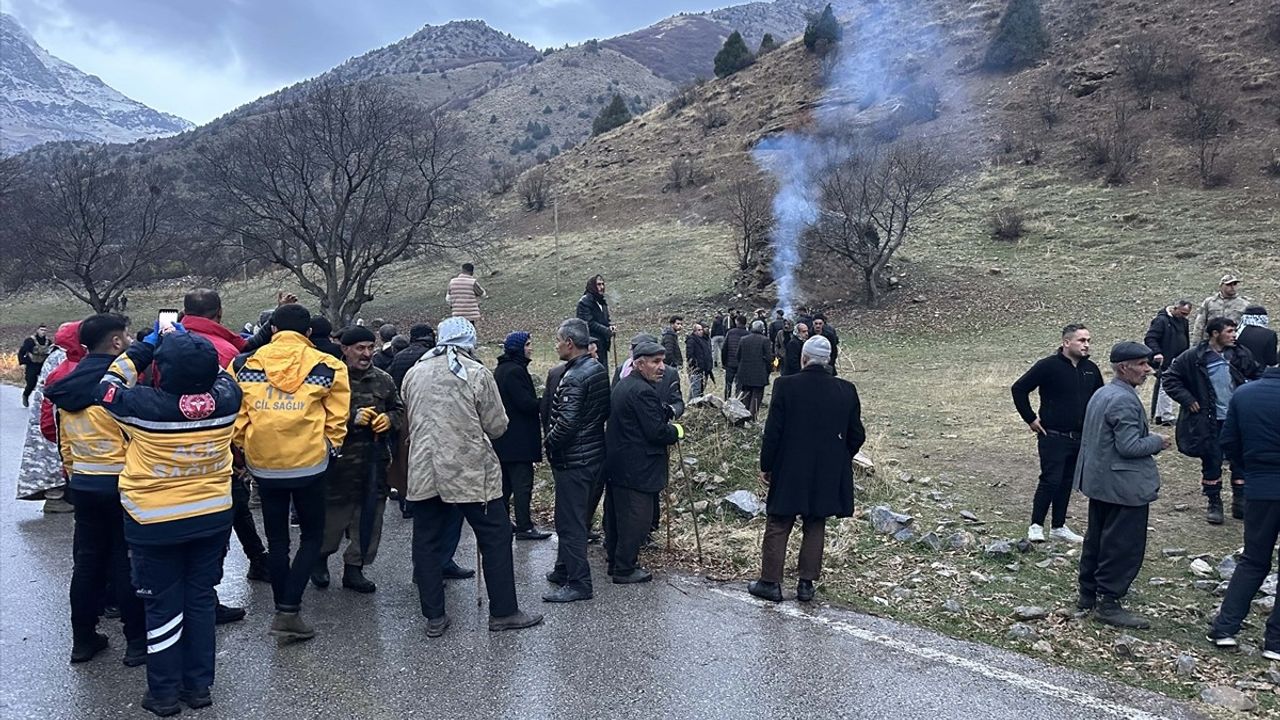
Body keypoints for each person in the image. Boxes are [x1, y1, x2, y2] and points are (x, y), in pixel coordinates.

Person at [95, 327, 243, 716]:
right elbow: (226, 370)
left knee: (162, 607)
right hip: (211, 516)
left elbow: (107, 385)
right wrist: (190, 345)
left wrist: (145, 347)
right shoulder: (229, 399)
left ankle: (163, 693)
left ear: (163, 369)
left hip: (154, 523)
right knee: (199, 602)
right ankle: (198, 688)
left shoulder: (142, 406)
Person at [401, 316, 543, 637]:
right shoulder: (475, 372)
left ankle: (434, 617)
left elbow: (410, 415)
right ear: (470, 340)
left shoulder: (415, 373)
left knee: (426, 541)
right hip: (470, 471)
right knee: (495, 536)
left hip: (425, 469)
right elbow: (497, 425)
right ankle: (504, 611)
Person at [230, 303, 351, 641]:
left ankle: (283, 609)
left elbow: (236, 413)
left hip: (264, 464)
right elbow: (338, 417)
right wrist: (330, 447)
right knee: (312, 536)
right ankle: (288, 610)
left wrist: (247, 445)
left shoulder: (243, 363)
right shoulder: (329, 365)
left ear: (271, 330)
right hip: (310, 463)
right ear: (309, 333)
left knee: (278, 540)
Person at [42, 314, 145, 667]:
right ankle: (136, 643)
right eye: (126, 335)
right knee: (124, 559)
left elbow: (63, 442)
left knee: (86, 563)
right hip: (120, 480)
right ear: (116, 342)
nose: (130, 340)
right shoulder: (120, 384)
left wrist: (74, 476)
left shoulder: (66, 385)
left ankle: (83, 640)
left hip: (84, 480)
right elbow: (136, 436)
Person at [749, 336, 865, 603]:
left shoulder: (786, 386)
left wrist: (767, 465)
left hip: (789, 467)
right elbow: (857, 434)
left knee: (779, 522)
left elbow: (773, 432)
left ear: (803, 358)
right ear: (829, 361)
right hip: (827, 470)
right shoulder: (846, 390)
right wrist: (840, 457)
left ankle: (770, 583)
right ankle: (805, 585)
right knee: (815, 522)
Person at [1074, 342, 1170, 629]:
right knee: (1122, 545)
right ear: (1123, 367)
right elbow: (1129, 446)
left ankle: (1087, 595)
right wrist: (1158, 441)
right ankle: (1109, 603)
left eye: (1148, 364)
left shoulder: (1103, 392)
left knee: (1098, 538)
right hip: (1124, 486)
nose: (1148, 370)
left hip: (1101, 482)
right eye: (1142, 364)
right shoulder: (1124, 399)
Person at [182, 289, 266, 615]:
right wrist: (241, 452)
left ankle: (257, 558)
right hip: (217, 446)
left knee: (225, 510)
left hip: (171, 446)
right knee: (221, 515)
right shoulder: (223, 351)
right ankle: (206, 598)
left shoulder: (170, 343)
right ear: (219, 312)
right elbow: (237, 404)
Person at [312, 326, 403, 594]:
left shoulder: (383, 379)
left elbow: (399, 409)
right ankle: (319, 560)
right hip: (337, 466)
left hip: (373, 464)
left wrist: (390, 420)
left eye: (370, 347)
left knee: (369, 522)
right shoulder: (329, 378)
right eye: (359, 348)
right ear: (345, 350)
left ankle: (355, 569)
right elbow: (314, 416)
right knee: (331, 523)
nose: (366, 354)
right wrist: (350, 418)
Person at [1206, 361, 1280, 654]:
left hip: (1259, 487)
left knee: (1253, 560)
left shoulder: (1245, 394)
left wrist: (1251, 469)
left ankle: (1225, 628)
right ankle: (1275, 642)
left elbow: (1229, 441)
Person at [1164, 317, 1263, 523]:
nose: (1234, 335)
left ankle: (1240, 501)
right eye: (1229, 331)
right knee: (1212, 460)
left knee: (1240, 459)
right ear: (1215, 334)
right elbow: (1170, 378)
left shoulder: (1240, 353)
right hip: (1209, 420)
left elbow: (1256, 374)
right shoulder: (1193, 357)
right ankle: (1214, 502)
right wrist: (1187, 399)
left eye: (1234, 331)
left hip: (1237, 419)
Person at [1010, 324, 1103, 544]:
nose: (1086, 344)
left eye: (1088, 340)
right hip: (1052, 435)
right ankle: (1036, 525)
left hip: (1080, 438)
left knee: (1067, 481)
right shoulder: (1048, 366)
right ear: (1066, 342)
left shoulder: (1091, 369)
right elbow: (1019, 388)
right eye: (1081, 340)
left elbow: (1101, 398)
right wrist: (1030, 418)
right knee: (1050, 479)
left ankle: (1059, 526)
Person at [543, 318, 611, 603]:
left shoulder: (572, 377)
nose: (556, 345)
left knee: (570, 523)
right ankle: (563, 568)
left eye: (558, 340)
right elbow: (602, 412)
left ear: (569, 343)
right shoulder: (597, 369)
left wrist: (548, 444)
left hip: (574, 460)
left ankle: (579, 583)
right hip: (595, 454)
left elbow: (566, 424)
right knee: (578, 517)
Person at [604, 341, 683, 584]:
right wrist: (676, 430)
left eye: (663, 361)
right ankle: (625, 568)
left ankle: (616, 562)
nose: (661, 367)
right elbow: (656, 432)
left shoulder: (625, 384)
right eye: (655, 362)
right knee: (636, 519)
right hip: (637, 468)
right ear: (639, 364)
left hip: (620, 464)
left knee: (618, 517)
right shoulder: (642, 391)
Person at [493, 331, 552, 541]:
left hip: (503, 440)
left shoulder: (501, 369)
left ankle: (501, 522)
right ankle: (525, 527)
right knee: (521, 485)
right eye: (527, 344)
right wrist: (546, 401)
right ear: (518, 349)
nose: (531, 348)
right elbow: (525, 404)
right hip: (518, 441)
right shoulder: (515, 372)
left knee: (505, 485)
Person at [20, 322, 79, 511]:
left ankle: (58, 495)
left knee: (51, 454)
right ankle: (55, 497)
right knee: (53, 455)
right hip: (51, 418)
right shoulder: (64, 358)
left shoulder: (57, 355)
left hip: (47, 415)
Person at [1143, 300, 1192, 425]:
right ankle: (1166, 416)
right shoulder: (1161, 321)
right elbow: (1150, 338)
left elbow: (1186, 339)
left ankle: (1161, 415)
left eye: (1187, 314)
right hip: (1166, 358)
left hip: (1179, 358)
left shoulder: (1184, 322)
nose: (1184, 316)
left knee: (1165, 385)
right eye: (1182, 313)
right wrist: (1157, 352)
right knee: (1166, 385)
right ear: (1175, 308)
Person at [1191, 274, 1251, 342]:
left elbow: (1247, 327)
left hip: (1233, 342)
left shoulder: (1244, 304)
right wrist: (1196, 344)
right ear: (1221, 286)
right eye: (1228, 284)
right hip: (1211, 342)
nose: (1232, 287)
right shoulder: (1209, 302)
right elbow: (1200, 324)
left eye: (1235, 284)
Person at [735, 320, 774, 421]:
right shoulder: (765, 340)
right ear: (762, 329)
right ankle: (752, 418)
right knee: (756, 396)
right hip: (759, 373)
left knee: (746, 394)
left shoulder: (743, 339)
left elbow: (738, 355)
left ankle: (743, 416)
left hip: (745, 372)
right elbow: (769, 358)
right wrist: (768, 370)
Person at [576, 275, 615, 366]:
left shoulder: (601, 301)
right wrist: (606, 330)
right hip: (591, 345)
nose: (602, 287)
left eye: (603, 284)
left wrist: (610, 326)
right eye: (598, 284)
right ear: (592, 286)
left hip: (602, 344)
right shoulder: (584, 302)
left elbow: (605, 320)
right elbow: (588, 323)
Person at [388, 324, 437, 389]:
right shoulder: (432, 354)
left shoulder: (398, 357)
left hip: (404, 395)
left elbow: (393, 381)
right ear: (430, 336)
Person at [19, 324, 52, 407]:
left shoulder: (48, 342)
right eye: (41, 330)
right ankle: (26, 395)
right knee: (31, 383)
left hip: (43, 365)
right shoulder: (30, 341)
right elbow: (22, 352)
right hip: (32, 365)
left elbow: (51, 353)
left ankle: (44, 403)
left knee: (45, 384)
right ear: (37, 330)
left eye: (45, 330)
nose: (43, 332)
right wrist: (24, 362)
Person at [721, 315, 749, 399]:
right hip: (742, 364)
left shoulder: (730, 332)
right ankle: (738, 401)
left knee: (728, 384)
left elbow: (724, 348)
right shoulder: (748, 334)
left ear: (737, 322)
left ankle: (726, 401)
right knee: (739, 385)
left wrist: (724, 362)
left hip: (730, 363)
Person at [685, 322, 713, 399]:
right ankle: (692, 405)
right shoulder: (691, 340)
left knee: (701, 389)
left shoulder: (704, 340)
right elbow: (690, 355)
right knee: (695, 390)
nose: (701, 331)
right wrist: (695, 365)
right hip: (696, 369)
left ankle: (698, 405)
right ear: (695, 331)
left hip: (704, 369)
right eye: (699, 330)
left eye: (701, 330)